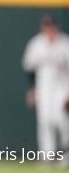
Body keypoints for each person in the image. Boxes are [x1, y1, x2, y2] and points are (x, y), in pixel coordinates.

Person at [22, 15, 69, 164]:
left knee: (62, 121)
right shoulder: (36, 43)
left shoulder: (64, 44)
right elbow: (29, 69)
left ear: (56, 27)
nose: (48, 29)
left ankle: (65, 155)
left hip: (62, 88)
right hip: (43, 88)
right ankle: (47, 156)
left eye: (50, 26)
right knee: (44, 122)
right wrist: (32, 90)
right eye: (45, 26)